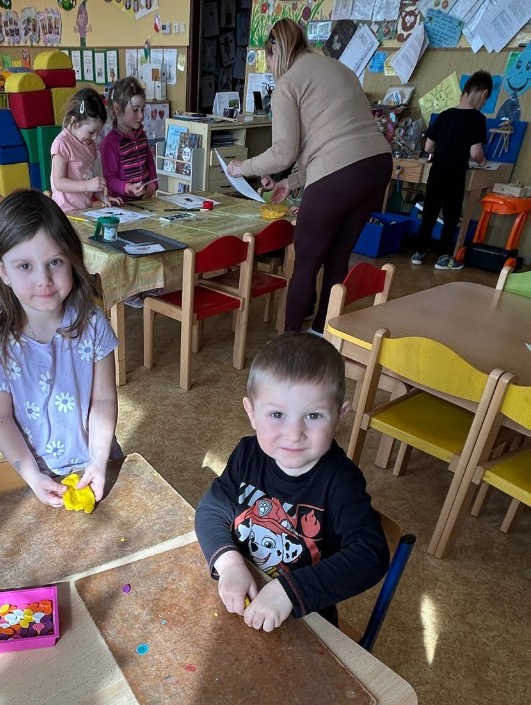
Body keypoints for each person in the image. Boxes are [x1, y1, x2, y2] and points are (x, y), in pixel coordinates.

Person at [195, 333, 389, 632]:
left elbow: (370, 556)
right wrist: (229, 564)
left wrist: (286, 591)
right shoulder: (247, 454)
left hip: (304, 616)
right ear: (252, 413)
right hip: (241, 593)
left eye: (313, 415)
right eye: (277, 414)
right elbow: (212, 509)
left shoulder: (341, 481)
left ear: (339, 416)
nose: (294, 433)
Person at [225, 20, 392, 336]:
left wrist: (242, 167)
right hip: (377, 165)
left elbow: (283, 152)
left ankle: (289, 341)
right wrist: (290, 184)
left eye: (268, 61)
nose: (270, 68)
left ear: (274, 52)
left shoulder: (288, 82)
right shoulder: (339, 69)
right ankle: (321, 334)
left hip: (339, 173)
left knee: (306, 261)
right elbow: (325, 140)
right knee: (338, 257)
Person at [0, 190, 120, 507]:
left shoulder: (93, 324)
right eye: (25, 266)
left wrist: (97, 460)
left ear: (72, 259)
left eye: (55, 262)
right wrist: (33, 476)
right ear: (2, 270)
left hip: (98, 462)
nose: (44, 279)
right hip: (34, 474)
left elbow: (104, 399)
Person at [411, 71, 492, 271]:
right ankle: (443, 258)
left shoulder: (444, 115)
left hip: (437, 171)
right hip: (455, 174)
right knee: (451, 215)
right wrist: (483, 162)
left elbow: (428, 147)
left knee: (430, 212)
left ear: (465, 92)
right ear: (484, 94)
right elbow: (475, 152)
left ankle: (419, 253)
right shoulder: (477, 119)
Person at [50, 87, 120, 212]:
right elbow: (58, 182)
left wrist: (103, 197)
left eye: (98, 132)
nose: (95, 137)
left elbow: (87, 177)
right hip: (65, 211)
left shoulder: (89, 144)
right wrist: (88, 185)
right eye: (91, 132)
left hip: (85, 210)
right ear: (74, 122)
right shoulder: (62, 143)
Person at [100, 76, 158, 202]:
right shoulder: (110, 143)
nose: (141, 116)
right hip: (122, 205)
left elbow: (150, 163)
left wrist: (152, 185)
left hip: (145, 201)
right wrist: (128, 187)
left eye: (142, 109)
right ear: (117, 109)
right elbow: (109, 178)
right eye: (135, 110)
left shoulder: (141, 134)